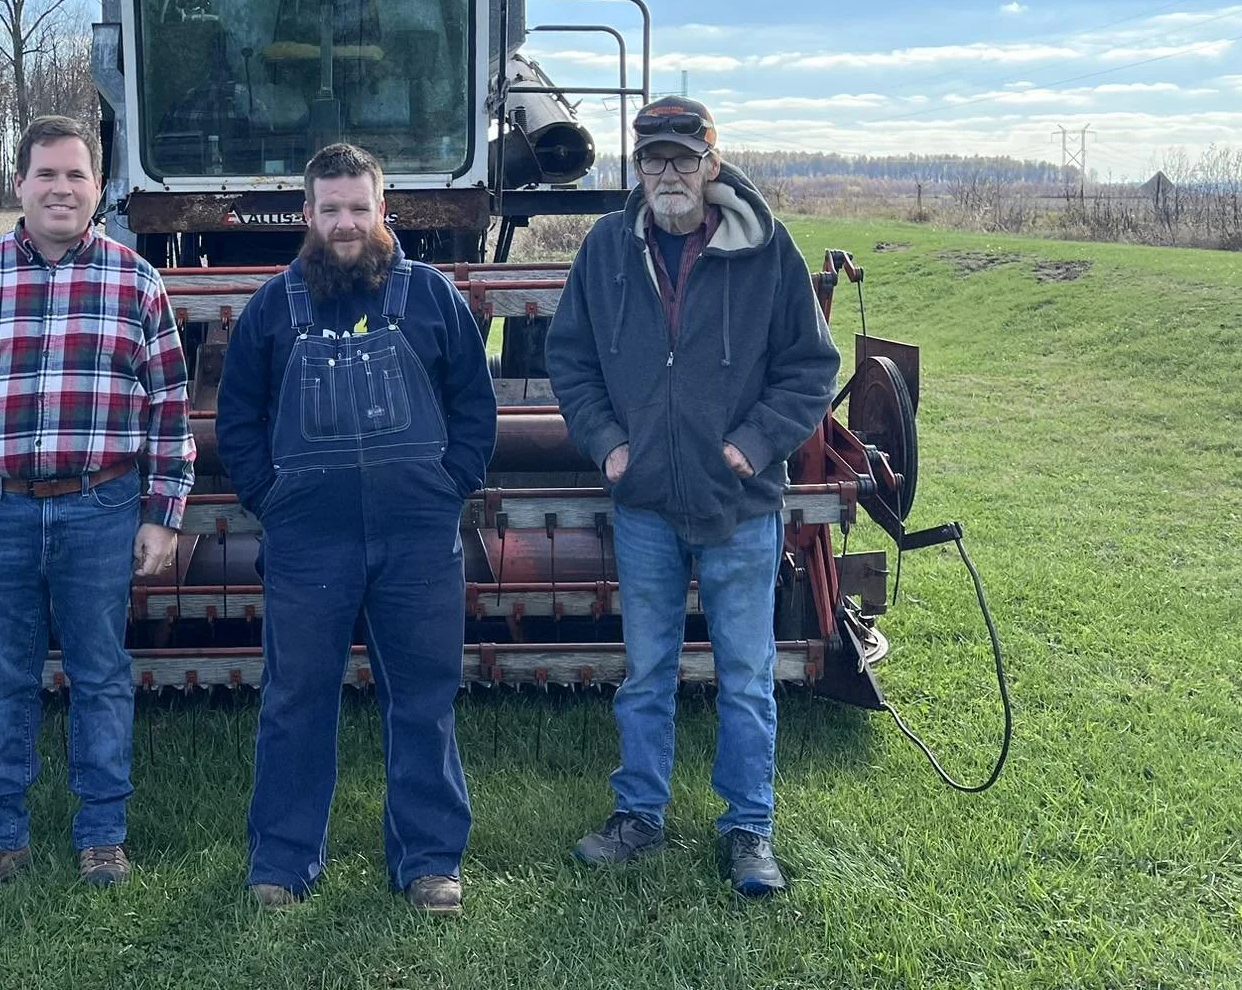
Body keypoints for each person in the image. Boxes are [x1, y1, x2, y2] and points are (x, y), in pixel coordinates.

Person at [546, 96, 838, 896]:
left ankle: (749, 830)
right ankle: (639, 814)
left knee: (746, 676)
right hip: (644, 505)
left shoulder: (767, 251)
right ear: (634, 170)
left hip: (738, 506)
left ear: (713, 164)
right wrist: (607, 444)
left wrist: (754, 443)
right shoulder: (606, 249)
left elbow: (811, 366)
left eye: (683, 159)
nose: (668, 174)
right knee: (647, 671)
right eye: (653, 161)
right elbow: (568, 359)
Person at [0, 114, 195, 901]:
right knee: (4, 678)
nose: (61, 188)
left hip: (100, 507)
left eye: (76, 175)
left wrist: (162, 511)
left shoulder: (136, 281)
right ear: (20, 184)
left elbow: (169, 404)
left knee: (100, 673)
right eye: (46, 174)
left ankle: (102, 835)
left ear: (99, 190)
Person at [215, 142, 497, 915]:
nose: (345, 223)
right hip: (309, 542)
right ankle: (282, 860)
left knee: (424, 700)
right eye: (330, 209)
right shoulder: (273, 308)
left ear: (384, 211)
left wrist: (450, 487)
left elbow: (476, 406)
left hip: (417, 537)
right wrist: (270, 498)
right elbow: (237, 419)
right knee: (296, 699)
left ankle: (431, 860)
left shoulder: (434, 297)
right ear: (306, 216)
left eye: (358, 208)